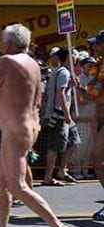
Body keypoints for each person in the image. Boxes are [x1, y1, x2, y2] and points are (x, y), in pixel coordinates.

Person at [0, 23, 76, 227]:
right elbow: (36, 97)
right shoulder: (33, 64)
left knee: (18, 186)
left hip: (14, 131)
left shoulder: (7, 62)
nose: (0, 45)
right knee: (1, 180)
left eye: (2, 41)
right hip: (28, 127)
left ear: (9, 44)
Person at [42, 48, 80, 186]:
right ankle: (48, 176)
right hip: (58, 114)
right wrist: (66, 113)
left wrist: (72, 84)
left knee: (74, 139)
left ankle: (62, 170)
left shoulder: (63, 72)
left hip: (62, 114)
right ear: (67, 58)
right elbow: (60, 93)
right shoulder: (63, 72)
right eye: (72, 55)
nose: (75, 57)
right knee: (55, 146)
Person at [86, 32, 104, 220]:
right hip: (99, 117)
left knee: (97, 159)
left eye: (98, 43)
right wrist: (80, 89)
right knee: (96, 160)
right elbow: (93, 96)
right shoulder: (97, 66)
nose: (94, 47)